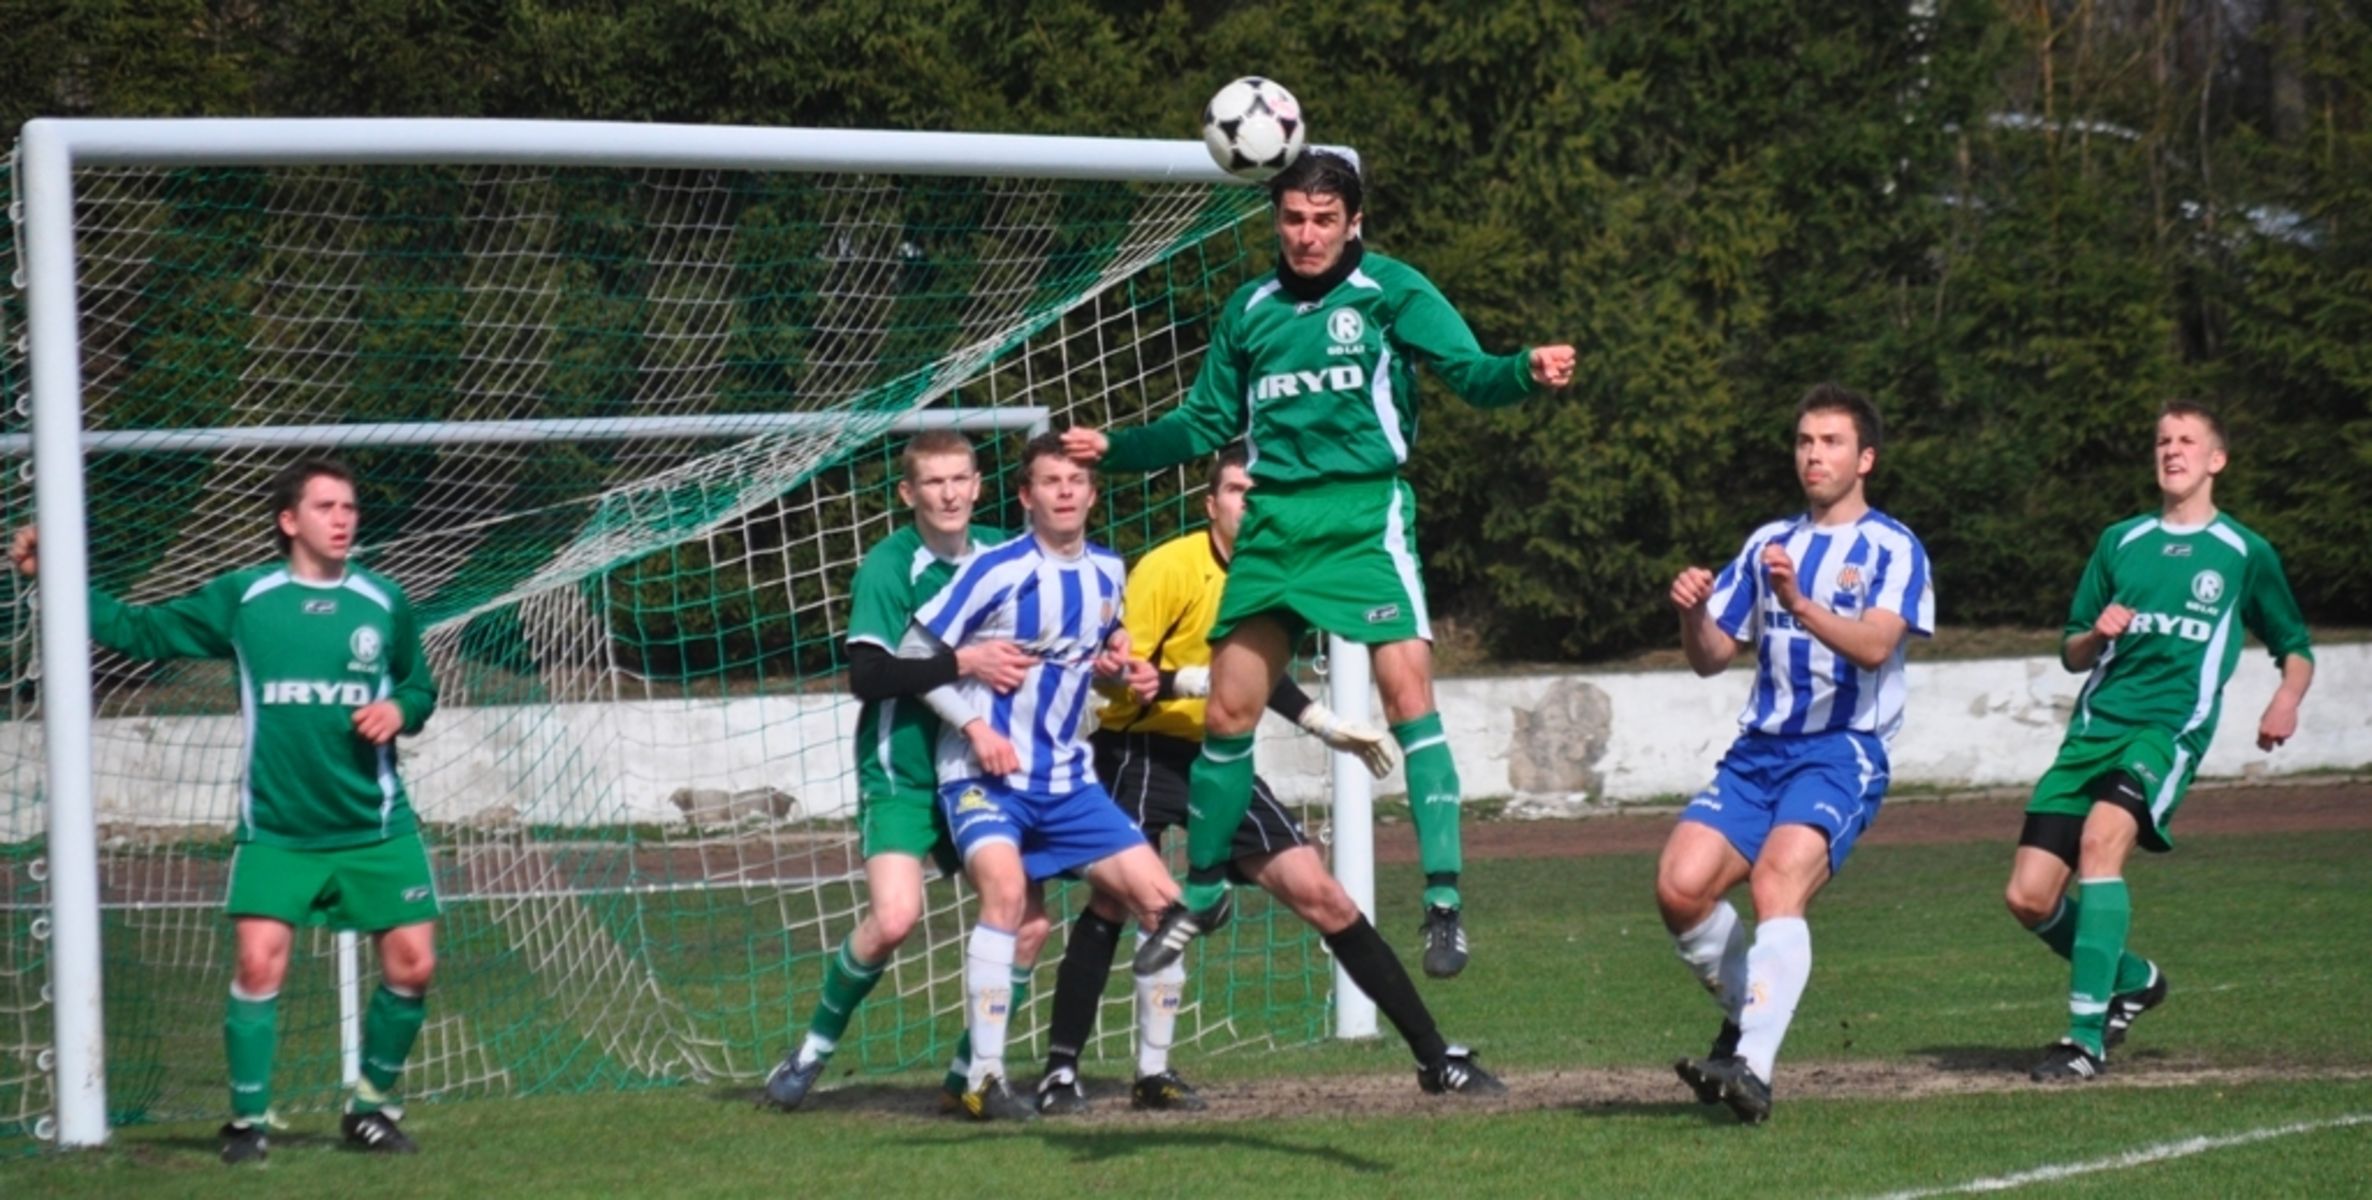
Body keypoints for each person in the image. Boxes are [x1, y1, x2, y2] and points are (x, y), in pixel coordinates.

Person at [1063, 149, 1578, 979]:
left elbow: (1473, 376)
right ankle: (1201, 895)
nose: (1307, 236)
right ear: (1277, 220)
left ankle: (1443, 901)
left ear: (1354, 223)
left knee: (1409, 702)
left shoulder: (1393, 292)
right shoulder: (1250, 310)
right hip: (1272, 526)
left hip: (1364, 516)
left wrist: (1525, 368)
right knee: (1228, 716)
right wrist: (1115, 448)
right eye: (1294, 219)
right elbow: (1201, 426)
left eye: (1324, 221)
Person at [1031, 445, 1503, 1114]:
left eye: (1260, 493)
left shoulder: (1277, 571)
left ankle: (1435, 1058)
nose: (1250, 505)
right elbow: (1116, 669)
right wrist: (1181, 679)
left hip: (1220, 760)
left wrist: (1324, 723)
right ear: (1210, 503)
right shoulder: (1170, 566)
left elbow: (1259, 675)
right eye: (1235, 492)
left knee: (1326, 899)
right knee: (1119, 902)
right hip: (1140, 750)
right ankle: (1062, 1071)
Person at [12, 458, 440, 1162]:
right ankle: (247, 1122)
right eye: (327, 506)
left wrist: (399, 707)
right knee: (258, 965)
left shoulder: (384, 601)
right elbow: (142, 632)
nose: (342, 519)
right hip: (277, 828)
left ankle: (371, 1109)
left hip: (376, 825)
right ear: (288, 520)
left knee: (414, 966)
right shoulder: (247, 598)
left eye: (350, 508)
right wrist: (57, 578)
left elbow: (420, 687)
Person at [2004, 401, 2313, 1083]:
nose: (2171, 450)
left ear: (2215, 459)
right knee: (2027, 896)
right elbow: (2072, 652)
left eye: (2186, 441)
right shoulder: (2120, 540)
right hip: (2091, 734)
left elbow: (2294, 645)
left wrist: (2286, 700)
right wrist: (2097, 632)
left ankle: (2084, 1040)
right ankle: (2135, 978)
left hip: (2164, 732)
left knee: (2100, 847)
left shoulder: (2243, 553)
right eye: (2161, 441)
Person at [1658, 386, 1933, 1125]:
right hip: (1758, 752)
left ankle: (1752, 1067)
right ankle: (1748, 1026)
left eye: (1832, 442)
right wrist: (1692, 612)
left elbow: (1878, 645)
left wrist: (1803, 602)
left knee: (1779, 879)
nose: (1814, 454)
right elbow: (1712, 657)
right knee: (1680, 888)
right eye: (1806, 441)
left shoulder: (1893, 547)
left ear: (1865, 458)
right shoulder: (1765, 541)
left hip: (1843, 752)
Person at [762, 431, 1051, 1111]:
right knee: (893, 920)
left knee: (1031, 923)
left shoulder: (1003, 556)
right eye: (933, 483)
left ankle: (967, 1077)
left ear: (979, 486)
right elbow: (867, 675)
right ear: (908, 493)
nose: (948, 494)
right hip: (904, 770)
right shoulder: (889, 567)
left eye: (960, 480)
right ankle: (810, 1054)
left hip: (982, 772)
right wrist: (963, 663)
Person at [906, 431, 1179, 1121]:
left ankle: (1153, 1074)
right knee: (1007, 900)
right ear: (1026, 496)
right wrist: (974, 728)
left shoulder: (1110, 574)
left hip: (1066, 781)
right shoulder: (995, 569)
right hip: (981, 775)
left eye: (1076, 480)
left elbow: (1103, 655)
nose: (1065, 491)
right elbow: (916, 657)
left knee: (1166, 910)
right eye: (1050, 480)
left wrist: (1122, 665)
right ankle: (985, 1079)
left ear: (1090, 493)